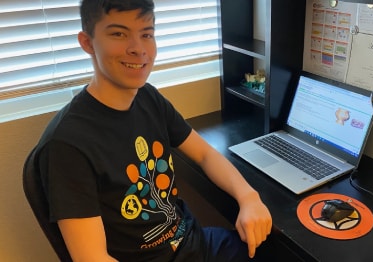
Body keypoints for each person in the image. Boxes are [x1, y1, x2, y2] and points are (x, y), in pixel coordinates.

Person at [32, 0, 272, 261]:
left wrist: (249, 198)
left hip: (194, 245)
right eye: (118, 34)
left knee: (273, 251)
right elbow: (91, 257)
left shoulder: (148, 98)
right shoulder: (67, 144)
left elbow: (205, 154)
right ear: (88, 43)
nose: (138, 49)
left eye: (146, 34)